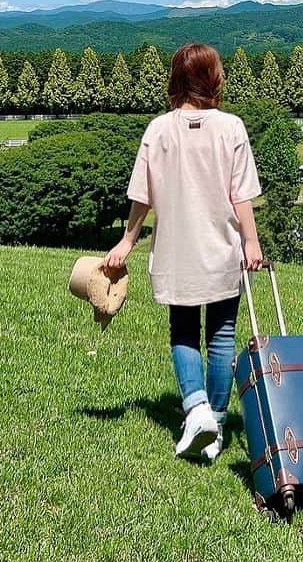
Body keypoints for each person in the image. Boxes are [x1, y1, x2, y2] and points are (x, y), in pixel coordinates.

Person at [104, 42, 264, 461]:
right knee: (222, 333)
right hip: (222, 246)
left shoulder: (158, 130)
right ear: (213, 79)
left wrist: (128, 240)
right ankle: (216, 420)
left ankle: (195, 410)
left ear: (176, 79)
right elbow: (241, 195)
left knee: (184, 331)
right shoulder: (232, 127)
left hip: (176, 250)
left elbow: (143, 195)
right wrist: (251, 241)